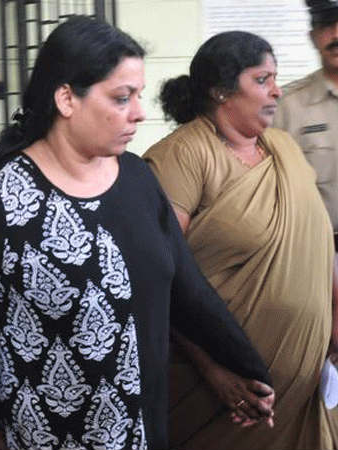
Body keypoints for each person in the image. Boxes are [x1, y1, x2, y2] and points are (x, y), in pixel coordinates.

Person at [0, 16, 275, 450]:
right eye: (121, 97)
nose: (139, 112)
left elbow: (188, 292)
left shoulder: (136, 178)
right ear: (66, 99)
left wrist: (246, 368)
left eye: (138, 95)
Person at [144, 31, 337, 450]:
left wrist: (335, 322)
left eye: (275, 78)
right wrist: (215, 370)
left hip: (304, 390)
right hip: (216, 390)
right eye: (262, 79)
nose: (276, 91)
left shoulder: (284, 148)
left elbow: (318, 246)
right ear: (221, 91)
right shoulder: (182, 156)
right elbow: (161, 277)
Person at [274, 0, 338, 245]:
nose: (336, 34)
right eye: (326, 25)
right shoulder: (286, 107)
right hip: (316, 248)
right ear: (312, 37)